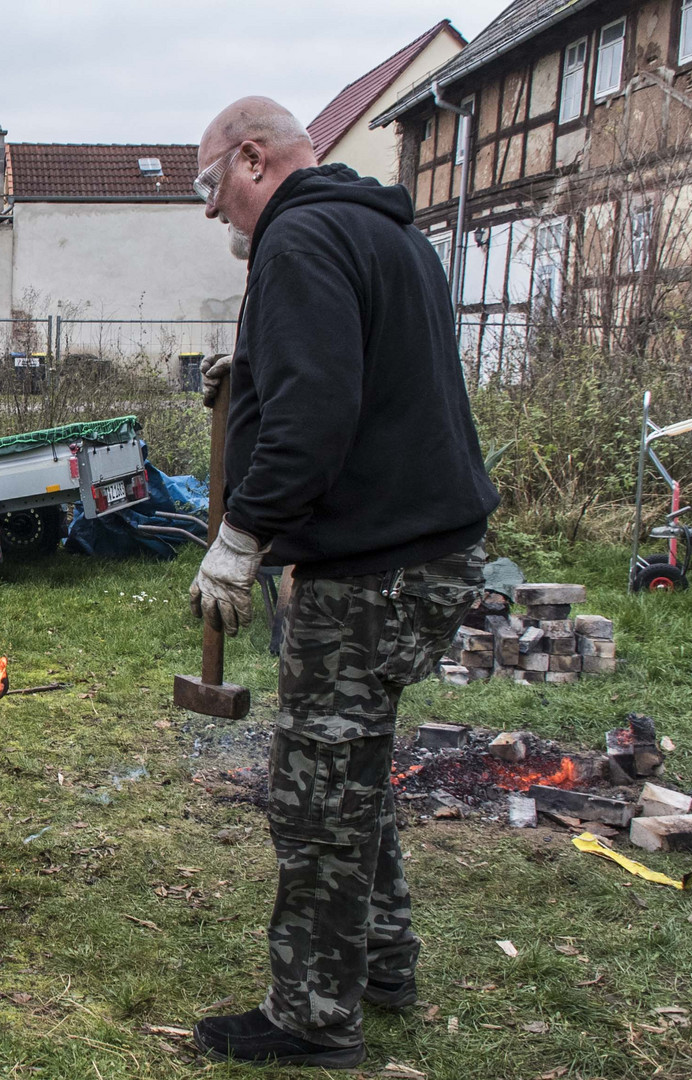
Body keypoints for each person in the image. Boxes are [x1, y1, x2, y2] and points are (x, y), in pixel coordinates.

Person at [185, 98, 499, 1066]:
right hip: (426, 547)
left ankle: (314, 1016)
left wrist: (241, 540)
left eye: (210, 188)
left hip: (378, 567)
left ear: (251, 158)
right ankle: (381, 961)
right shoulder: (379, 230)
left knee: (317, 797)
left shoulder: (300, 236)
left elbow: (317, 415)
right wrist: (255, 372)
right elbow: (353, 370)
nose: (211, 213)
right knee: (347, 770)